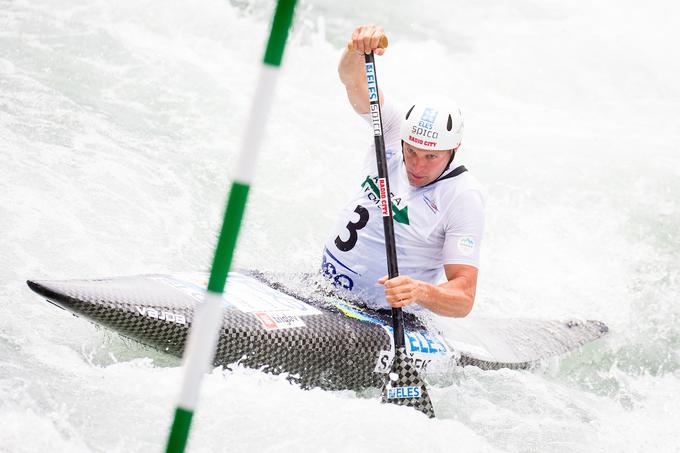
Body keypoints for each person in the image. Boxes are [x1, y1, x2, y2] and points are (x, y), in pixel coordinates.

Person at [321, 24, 485, 318]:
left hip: (380, 317)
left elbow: (464, 296)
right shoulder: (393, 129)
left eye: (431, 157)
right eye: (411, 152)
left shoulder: (462, 196)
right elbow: (352, 80)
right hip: (321, 290)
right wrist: (356, 49)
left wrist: (421, 291)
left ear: (454, 149)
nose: (417, 166)